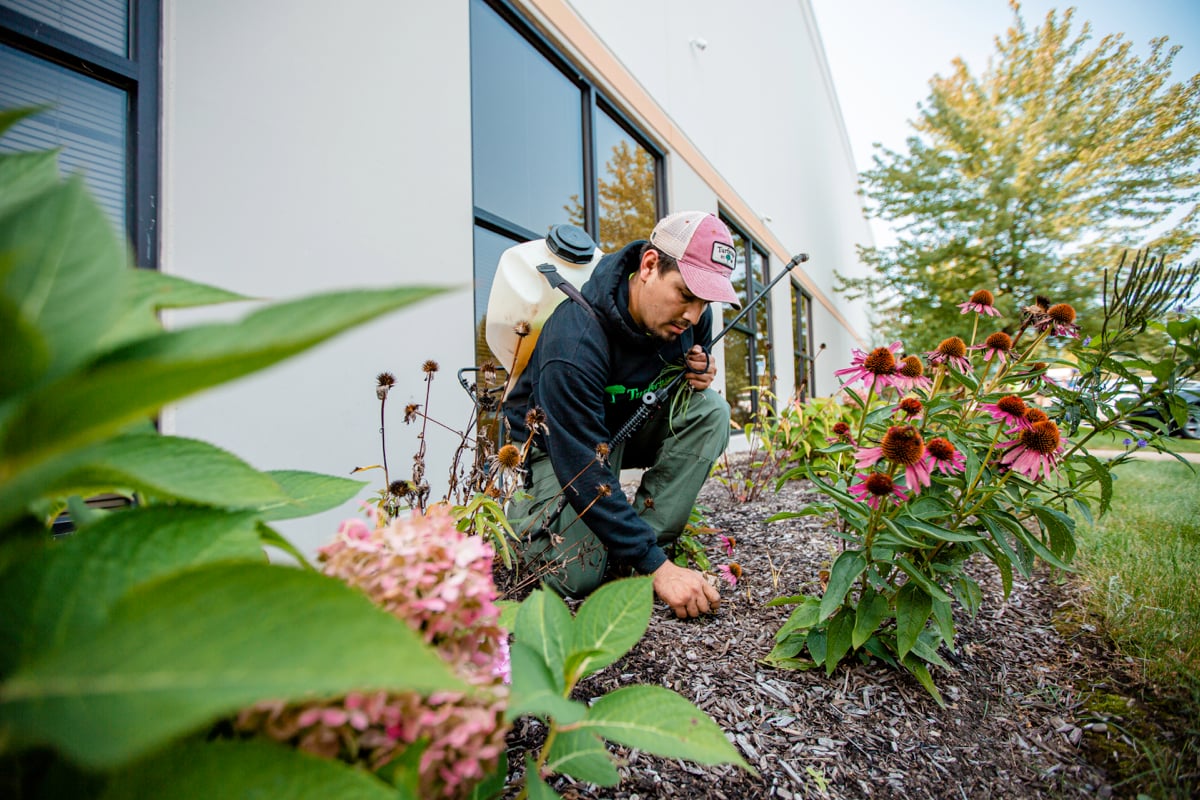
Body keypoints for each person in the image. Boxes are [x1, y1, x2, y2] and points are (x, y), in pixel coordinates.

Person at [504, 211, 739, 619]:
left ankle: (638, 551)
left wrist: (700, 370)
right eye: (685, 295)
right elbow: (582, 466)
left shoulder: (692, 318)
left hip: (624, 427)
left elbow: (687, 366)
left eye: (706, 302)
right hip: (560, 444)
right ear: (649, 266)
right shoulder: (575, 336)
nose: (694, 316)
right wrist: (663, 571)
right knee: (573, 577)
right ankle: (520, 526)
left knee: (711, 412)